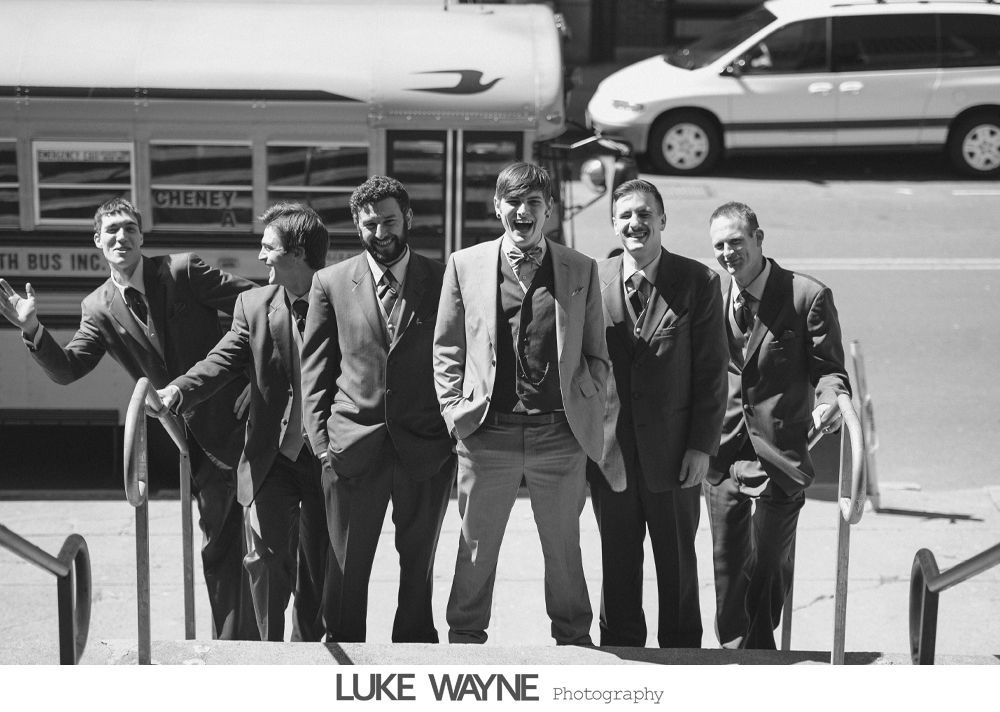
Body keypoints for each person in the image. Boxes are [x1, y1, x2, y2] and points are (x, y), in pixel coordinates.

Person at [0, 197, 256, 640]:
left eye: (130, 228)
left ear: (142, 236)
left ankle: (294, 644)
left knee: (277, 542)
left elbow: (260, 304)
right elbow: (69, 369)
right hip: (197, 440)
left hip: (245, 418)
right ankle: (236, 648)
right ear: (98, 241)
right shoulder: (98, 308)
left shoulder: (182, 270)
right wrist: (32, 330)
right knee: (220, 546)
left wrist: (257, 374)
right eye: (112, 230)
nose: (122, 237)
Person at [433, 161, 609, 645]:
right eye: (513, 201)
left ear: (549, 209)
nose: (522, 211)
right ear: (497, 207)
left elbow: (597, 353)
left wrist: (586, 403)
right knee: (475, 547)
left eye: (534, 202)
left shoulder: (580, 268)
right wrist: (454, 410)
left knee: (564, 549)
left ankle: (573, 640)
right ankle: (465, 637)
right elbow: (447, 345)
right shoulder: (465, 264)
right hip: (487, 432)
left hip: (559, 435)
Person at [156, 203, 330, 642]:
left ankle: (308, 652)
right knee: (266, 562)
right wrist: (178, 390)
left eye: (269, 247)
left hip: (328, 456)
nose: (261, 255)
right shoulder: (252, 305)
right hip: (273, 457)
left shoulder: (342, 298)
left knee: (319, 569)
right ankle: (269, 656)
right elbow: (220, 361)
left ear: (297, 253)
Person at [300, 175, 454, 643]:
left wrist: (453, 434)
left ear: (407, 218)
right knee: (346, 569)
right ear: (357, 225)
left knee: (419, 567)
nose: (381, 233)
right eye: (370, 225)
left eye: (389, 221)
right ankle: (346, 657)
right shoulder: (329, 282)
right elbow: (315, 371)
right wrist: (322, 445)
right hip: (351, 448)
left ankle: (415, 654)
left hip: (425, 449)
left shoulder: (444, 278)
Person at [587, 179, 728, 648]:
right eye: (626, 215)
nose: (636, 223)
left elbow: (711, 373)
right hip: (611, 459)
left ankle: (683, 656)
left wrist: (701, 447)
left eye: (645, 213)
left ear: (662, 220)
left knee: (678, 567)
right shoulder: (593, 280)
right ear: (614, 224)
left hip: (675, 457)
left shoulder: (698, 281)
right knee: (617, 568)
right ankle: (623, 653)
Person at [703, 201, 851, 650]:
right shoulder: (710, 295)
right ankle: (735, 654)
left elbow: (830, 371)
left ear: (759, 238)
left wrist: (829, 402)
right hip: (723, 453)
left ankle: (758, 655)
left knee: (768, 566)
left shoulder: (806, 296)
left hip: (779, 452)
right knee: (729, 570)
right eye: (719, 246)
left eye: (736, 242)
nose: (728, 253)